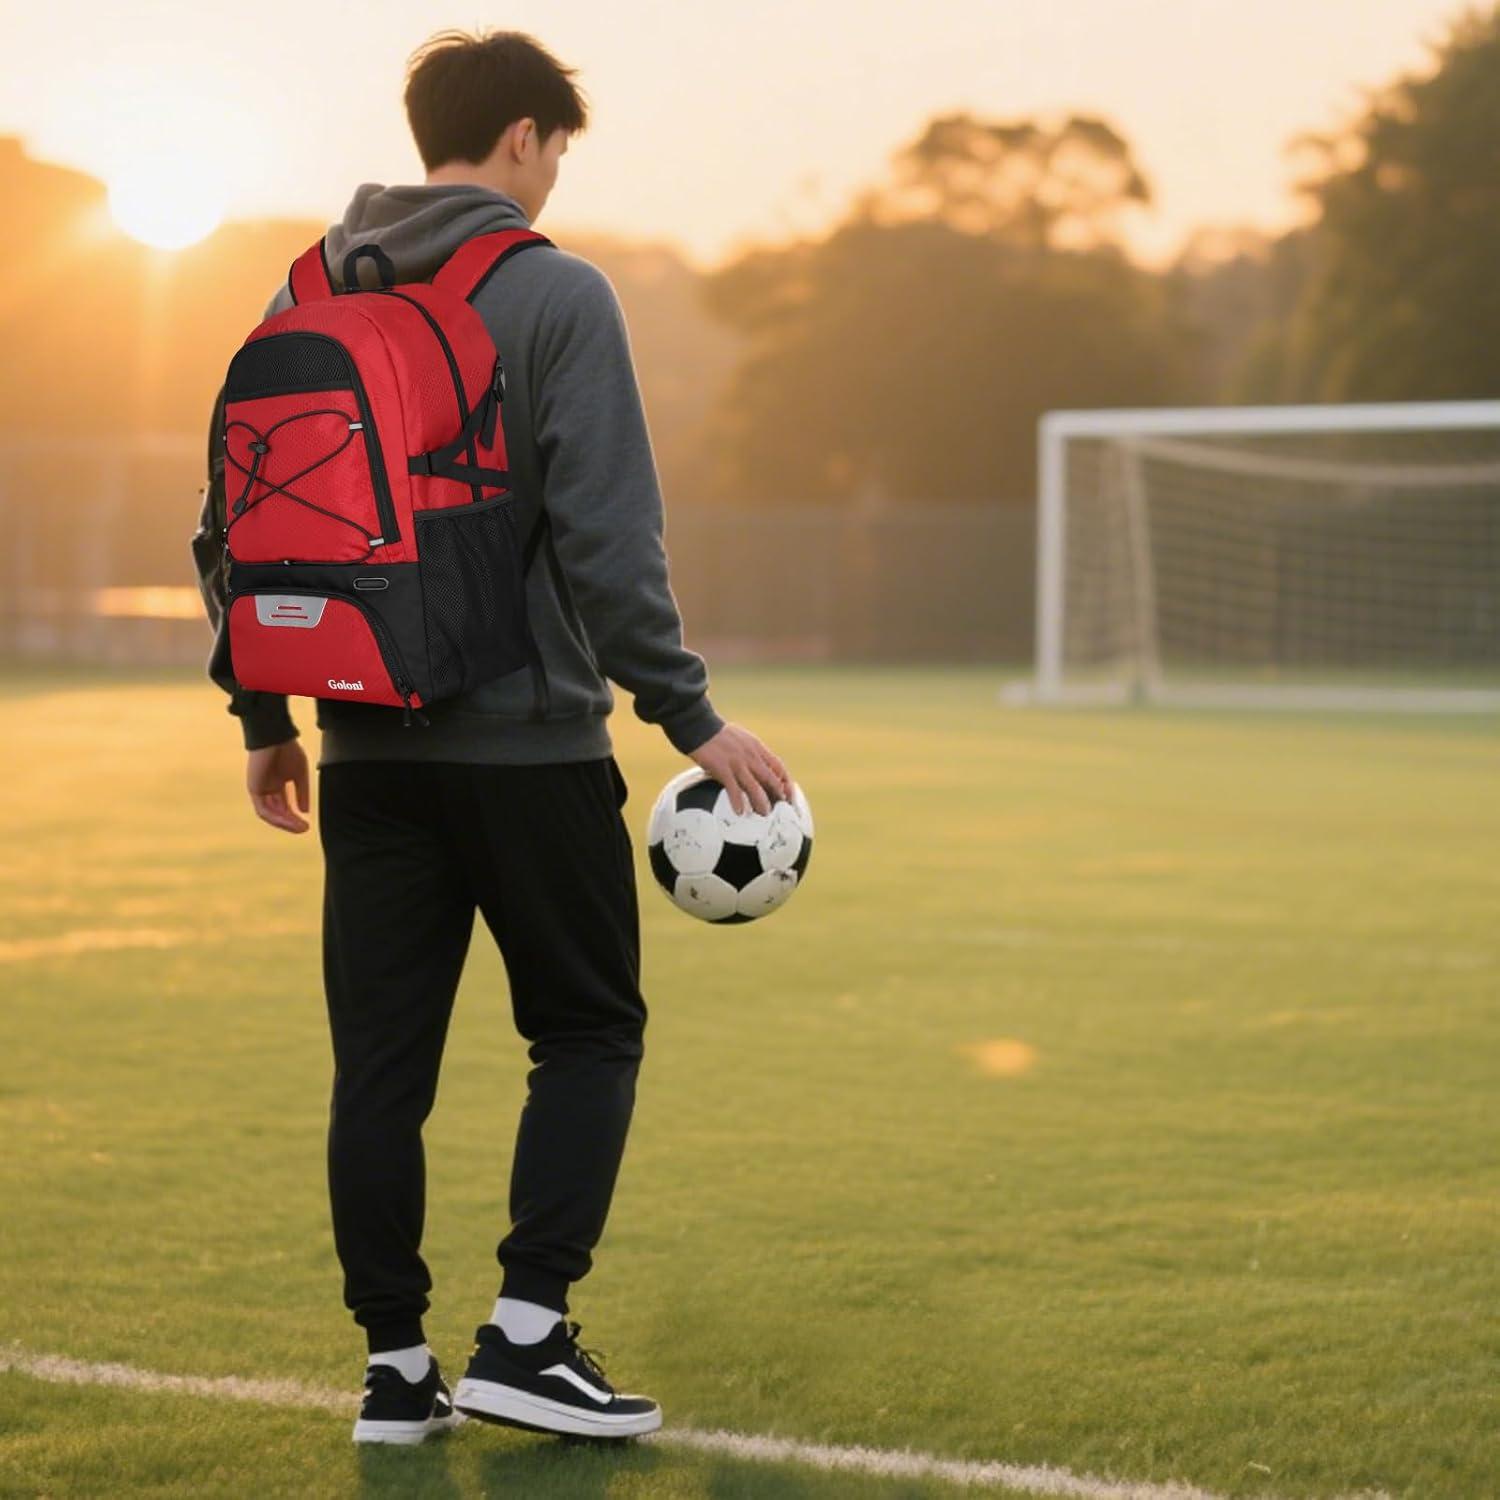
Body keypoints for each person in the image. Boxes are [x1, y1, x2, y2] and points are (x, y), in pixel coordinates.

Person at [193, 27, 791, 1446]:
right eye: (560, 151)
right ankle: (527, 1336)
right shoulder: (554, 293)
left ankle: (395, 1374)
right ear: (525, 137)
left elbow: (233, 523)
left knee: (380, 1067)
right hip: (531, 747)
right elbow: (607, 534)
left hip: (363, 753)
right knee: (588, 1030)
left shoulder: (298, 289)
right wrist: (687, 714)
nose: (557, 178)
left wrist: (263, 716)